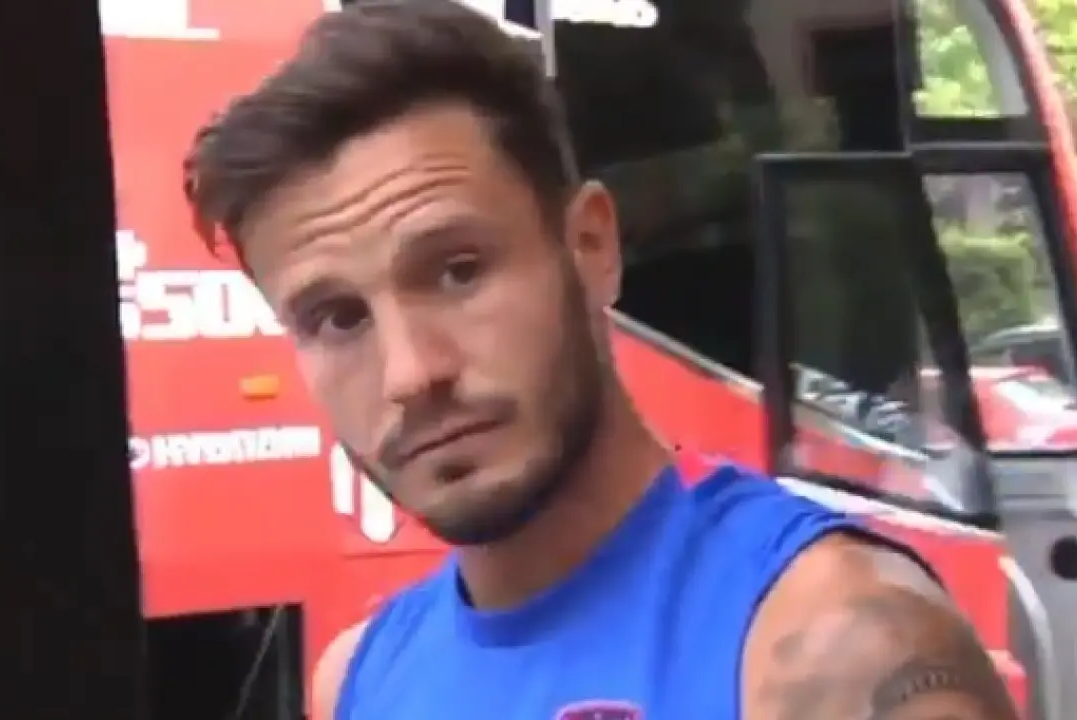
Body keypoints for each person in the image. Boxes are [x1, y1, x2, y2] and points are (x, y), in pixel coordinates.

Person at [181, 1, 1020, 718]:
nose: (410, 373)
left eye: (458, 270)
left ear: (590, 247)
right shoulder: (357, 680)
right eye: (337, 318)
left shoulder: (841, 647)